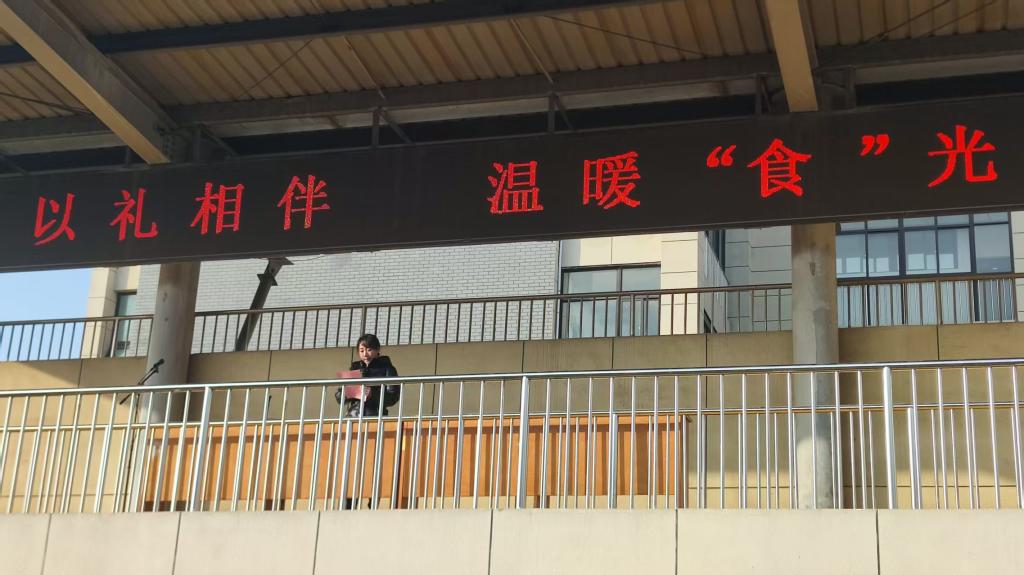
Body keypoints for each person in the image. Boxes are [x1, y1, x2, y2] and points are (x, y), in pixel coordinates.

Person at [336, 334, 400, 417]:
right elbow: (339, 398)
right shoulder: (355, 368)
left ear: (377, 350)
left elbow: (393, 396)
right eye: (361, 351)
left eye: (369, 350)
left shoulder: (387, 368)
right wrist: (346, 393)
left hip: (375, 415)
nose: (365, 354)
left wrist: (372, 394)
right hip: (353, 416)